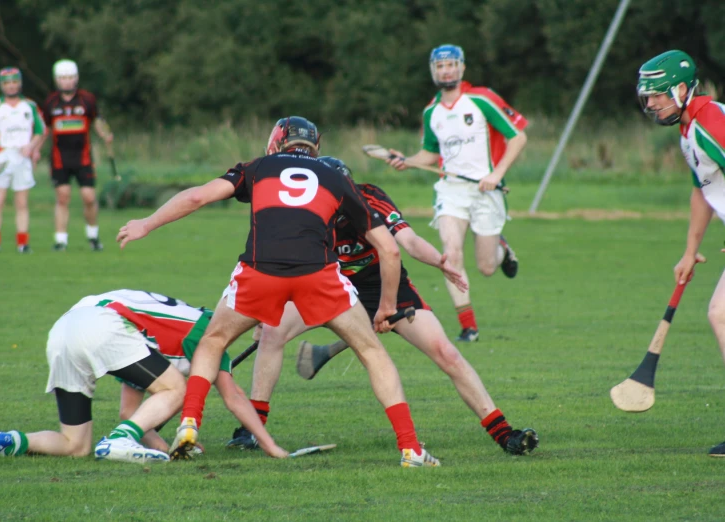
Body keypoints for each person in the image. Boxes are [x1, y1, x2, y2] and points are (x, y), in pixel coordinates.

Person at [118, 116, 440, 467]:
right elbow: (390, 250)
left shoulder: (257, 168)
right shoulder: (336, 178)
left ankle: (190, 422)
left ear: (276, 142)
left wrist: (146, 224)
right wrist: (386, 306)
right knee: (372, 352)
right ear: (317, 147)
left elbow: (196, 197)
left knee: (213, 341)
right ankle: (410, 449)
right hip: (318, 274)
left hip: (261, 271)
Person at [226, 157, 538, 456]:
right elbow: (285, 266)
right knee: (271, 334)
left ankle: (503, 432)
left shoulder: (371, 198)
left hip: (385, 285)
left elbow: (408, 243)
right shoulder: (309, 213)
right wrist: (267, 311)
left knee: (445, 351)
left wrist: (440, 264)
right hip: (327, 285)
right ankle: (252, 428)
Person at [0, 289, 287, 462]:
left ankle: (6, 442)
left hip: (65, 329)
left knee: (75, 445)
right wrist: (270, 445)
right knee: (178, 390)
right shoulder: (207, 330)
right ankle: (118, 442)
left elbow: (129, 414)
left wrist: (164, 448)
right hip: (102, 325)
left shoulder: (167, 331)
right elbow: (234, 398)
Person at [386, 44, 528, 342]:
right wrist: (407, 161)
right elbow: (429, 154)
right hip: (451, 192)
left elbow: (518, 137)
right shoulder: (431, 112)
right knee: (450, 255)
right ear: (433, 71)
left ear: (462, 68)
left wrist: (495, 175)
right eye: (440, 66)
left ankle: (502, 250)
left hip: (486, 191)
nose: (446, 70)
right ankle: (469, 326)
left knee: (486, 267)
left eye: (451, 65)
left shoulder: (481, 99)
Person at [636, 50, 725, 457]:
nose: (651, 104)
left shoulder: (710, 123)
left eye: (657, 95)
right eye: (647, 97)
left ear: (683, 89)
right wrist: (690, 251)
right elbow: (702, 190)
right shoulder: (688, 130)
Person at [41, 59, 114, 252]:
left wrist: (105, 134)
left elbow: (97, 120)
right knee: (63, 197)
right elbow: (44, 129)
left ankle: (93, 236)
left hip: (83, 158)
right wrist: (33, 149)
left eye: (70, 78)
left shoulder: (87, 100)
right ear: (57, 80)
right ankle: (60, 240)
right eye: (63, 78)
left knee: (89, 197)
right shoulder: (50, 102)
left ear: (76, 78)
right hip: (59, 158)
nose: (67, 81)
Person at [0, 67, 45, 254]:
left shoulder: (29, 106)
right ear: (1, 85)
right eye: (7, 83)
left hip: (22, 158)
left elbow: (40, 130)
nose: (11, 86)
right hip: (2, 157)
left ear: (20, 83)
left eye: (14, 82)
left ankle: (23, 244)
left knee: (22, 202)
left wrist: (31, 146)